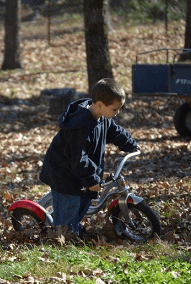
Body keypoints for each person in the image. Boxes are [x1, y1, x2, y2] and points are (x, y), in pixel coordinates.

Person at [39, 78, 138, 236]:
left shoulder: (102, 117)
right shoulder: (80, 126)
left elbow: (114, 131)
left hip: (79, 172)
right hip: (64, 173)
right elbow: (78, 156)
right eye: (114, 109)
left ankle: (73, 226)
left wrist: (130, 143)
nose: (117, 113)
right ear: (99, 105)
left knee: (84, 200)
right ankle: (66, 233)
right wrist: (91, 178)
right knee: (70, 204)